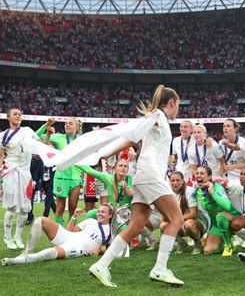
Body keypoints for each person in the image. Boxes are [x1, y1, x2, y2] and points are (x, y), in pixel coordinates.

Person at [89, 85, 185, 287]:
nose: (179, 110)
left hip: (144, 176)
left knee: (137, 225)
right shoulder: (158, 116)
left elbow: (133, 138)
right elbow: (130, 138)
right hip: (151, 176)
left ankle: (101, 265)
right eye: (178, 106)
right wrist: (105, 153)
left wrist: (105, 153)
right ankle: (160, 268)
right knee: (176, 218)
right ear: (172, 103)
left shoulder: (158, 119)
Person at [0, 108, 38, 250]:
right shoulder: (3, 135)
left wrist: (47, 134)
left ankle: (18, 236)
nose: (18, 116)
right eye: (15, 114)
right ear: (8, 117)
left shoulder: (28, 131)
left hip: (25, 172)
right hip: (10, 170)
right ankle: (7, 237)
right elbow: (0, 156)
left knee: (25, 208)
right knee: (11, 206)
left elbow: (40, 146)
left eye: (20, 114)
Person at [1, 204, 114, 266]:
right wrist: (74, 216)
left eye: (103, 212)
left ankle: (13, 261)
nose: (99, 214)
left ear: (110, 215)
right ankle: (28, 250)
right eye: (99, 211)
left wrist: (98, 250)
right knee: (41, 220)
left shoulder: (111, 230)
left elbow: (110, 248)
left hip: (77, 247)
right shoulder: (90, 221)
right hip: (69, 236)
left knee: (51, 252)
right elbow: (70, 230)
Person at [36, 117, 83, 225]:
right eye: (66, 123)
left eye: (70, 123)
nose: (67, 125)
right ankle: (59, 234)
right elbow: (37, 135)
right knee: (60, 208)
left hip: (75, 177)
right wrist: (47, 125)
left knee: (72, 208)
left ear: (76, 126)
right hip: (61, 176)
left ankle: (70, 232)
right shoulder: (59, 137)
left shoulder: (81, 139)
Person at [194, 165, 241, 256]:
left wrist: (212, 193)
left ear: (209, 177)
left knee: (221, 216)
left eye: (202, 173)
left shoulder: (217, 187)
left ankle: (229, 245)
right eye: (197, 173)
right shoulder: (199, 191)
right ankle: (224, 241)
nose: (199, 175)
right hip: (216, 223)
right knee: (207, 251)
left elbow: (227, 206)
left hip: (233, 219)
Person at [161, 171, 206, 255]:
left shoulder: (189, 191)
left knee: (188, 224)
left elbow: (193, 214)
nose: (175, 183)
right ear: (169, 182)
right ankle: (181, 243)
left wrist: (175, 219)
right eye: (172, 180)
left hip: (199, 222)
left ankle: (198, 244)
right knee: (163, 225)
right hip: (181, 222)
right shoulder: (167, 193)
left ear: (183, 181)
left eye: (178, 180)